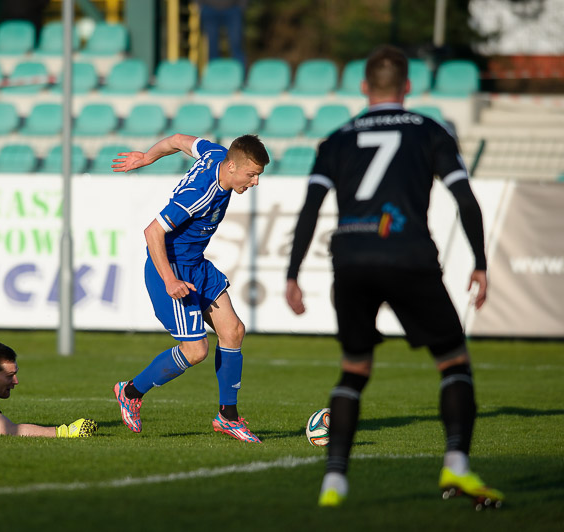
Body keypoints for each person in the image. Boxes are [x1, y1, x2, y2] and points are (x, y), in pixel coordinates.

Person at [285, 45, 504, 507]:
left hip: (351, 260)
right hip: (409, 256)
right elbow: (465, 199)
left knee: (354, 370)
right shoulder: (430, 131)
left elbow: (309, 210)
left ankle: (333, 483)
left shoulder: (336, 138)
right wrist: (480, 262)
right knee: (453, 362)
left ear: (364, 87)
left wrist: (292, 273)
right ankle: (457, 465)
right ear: (407, 86)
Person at [111, 133, 269, 443]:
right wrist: (170, 280)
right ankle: (130, 392)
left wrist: (147, 157)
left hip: (196, 265)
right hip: (171, 269)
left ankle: (227, 417)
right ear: (233, 166)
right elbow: (152, 232)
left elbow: (178, 140)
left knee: (233, 331)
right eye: (252, 175)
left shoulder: (216, 154)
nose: (255, 182)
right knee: (196, 351)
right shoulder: (200, 194)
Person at [195, 0, 247, 66]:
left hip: (234, 9)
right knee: (212, 46)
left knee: (236, 43)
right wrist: (199, 5)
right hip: (208, 9)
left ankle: (240, 71)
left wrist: (241, 6)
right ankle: (214, 71)